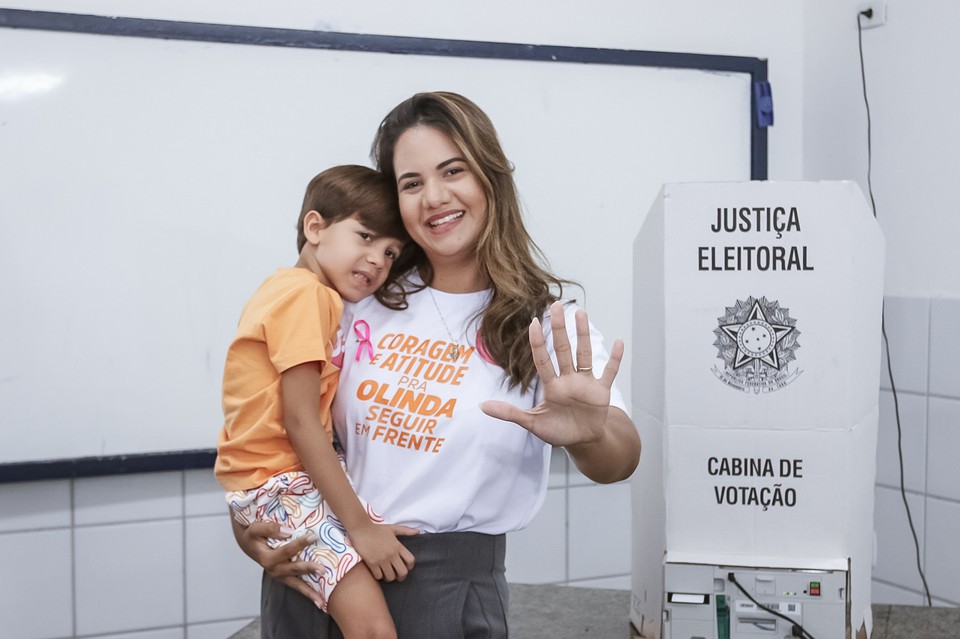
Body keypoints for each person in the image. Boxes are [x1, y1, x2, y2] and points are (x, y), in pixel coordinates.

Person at [233, 92, 642, 638]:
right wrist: (250, 524)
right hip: (317, 566)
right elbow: (276, 413)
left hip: (443, 595)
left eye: (454, 171)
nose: (435, 197)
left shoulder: (542, 327)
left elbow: (619, 458)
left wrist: (589, 435)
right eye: (411, 183)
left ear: (490, 177)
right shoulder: (357, 295)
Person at [215, 165, 418, 639]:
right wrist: (362, 528)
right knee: (373, 630)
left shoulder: (282, 288)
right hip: (284, 485)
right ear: (315, 227)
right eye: (365, 237)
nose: (377, 261)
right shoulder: (308, 296)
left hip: (268, 485)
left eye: (390, 251)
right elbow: (302, 422)